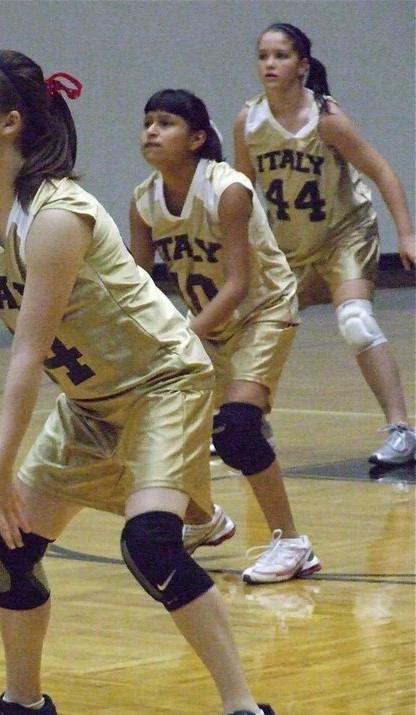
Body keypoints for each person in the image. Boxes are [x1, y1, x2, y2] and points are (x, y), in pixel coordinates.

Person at [0, 49, 293, 715]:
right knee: (6, 551)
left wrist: (0, 466)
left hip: (162, 384)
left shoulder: (58, 215)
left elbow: (25, 356)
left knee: (150, 544)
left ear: (9, 123)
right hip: (93, 403)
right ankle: (24, 709)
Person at [130, 88, 321, 584]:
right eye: (148, 122)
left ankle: (293, 543)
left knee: (237, 429)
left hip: (261, 311)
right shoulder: (144, 200)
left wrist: (182, 335)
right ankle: (203, 520)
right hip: (207, 325)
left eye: (166, 123)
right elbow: (138, 282)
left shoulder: (227, 188)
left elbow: (237, 283)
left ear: (196, 138)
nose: (152, 130)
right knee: (170, 427)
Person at [233, 21, 415, 467]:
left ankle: (402, 429)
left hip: (343, 236)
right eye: (263, 56)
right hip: (289, 247)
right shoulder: (248, 121)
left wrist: (406, 233)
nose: (269, 64)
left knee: (356, 321)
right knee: (257, 330)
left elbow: (382, 171)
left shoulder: (328, 119)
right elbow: (239, 190)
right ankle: (250, 422)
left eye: (280, 56)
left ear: (302, 66)